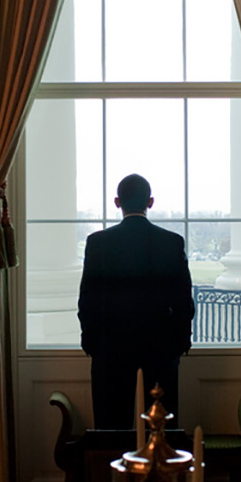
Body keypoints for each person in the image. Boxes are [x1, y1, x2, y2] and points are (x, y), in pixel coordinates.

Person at [78, 173, 195, 429]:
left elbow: (87, 299)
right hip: (161, 347)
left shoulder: (98, 243)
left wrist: (91, 341)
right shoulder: (171, 242)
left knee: (110, 428)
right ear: (150, 202)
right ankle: (159, 469)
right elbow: (184, 299)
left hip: (110, 346)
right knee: (160, 428)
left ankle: (114, 470)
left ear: (117, 202)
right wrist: (180, 341)